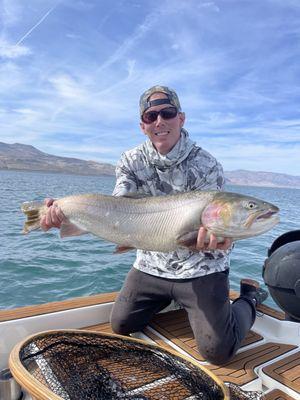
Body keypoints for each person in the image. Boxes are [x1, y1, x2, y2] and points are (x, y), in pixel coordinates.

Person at [41, 85, 268, 365]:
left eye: (167, 113)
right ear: (143, 126)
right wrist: (63, 213)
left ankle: (250, 298)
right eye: (151, 117)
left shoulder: (207, 164)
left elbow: (218, 229)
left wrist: (225, 239)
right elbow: (119, 206)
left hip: (201, 269)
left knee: (218, 352)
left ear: (180, 119)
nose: (159, 121)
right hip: (152, 265)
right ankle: (172, 300)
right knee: (121, 325)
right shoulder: (130, 160)